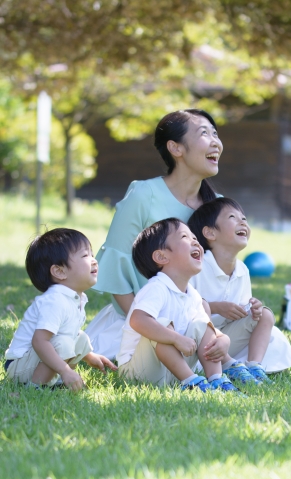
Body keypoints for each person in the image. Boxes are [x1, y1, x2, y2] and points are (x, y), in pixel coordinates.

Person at [85, 108, 223, 360]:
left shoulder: (219, 207)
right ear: (175, 148)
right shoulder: (143, 195)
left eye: (216, 134)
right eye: (205, 133)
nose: (216, 141)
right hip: (142, 321)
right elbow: (117, 269)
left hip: (202, 322)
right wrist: (150, 328)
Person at [117, 218, 242, 393]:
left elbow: (205, 328)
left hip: (171, 371)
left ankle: (216, 380)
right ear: (162, 256)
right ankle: (192, 382)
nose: (195, 241)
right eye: (185, 236)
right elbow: (138, 320)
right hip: (138, 372)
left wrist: (223, 339)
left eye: (194, 238)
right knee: (160, 324)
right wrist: (176, 338)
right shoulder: (156, 288)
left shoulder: (192, 294)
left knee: (202, 324)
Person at [188, 197, 291, 383]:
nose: (243, 222)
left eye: (244, 218)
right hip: (197, 344)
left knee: (265, 316)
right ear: (210, 233)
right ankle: (229, 366)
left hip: (226, 340)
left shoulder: (242, 270)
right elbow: (183, 308)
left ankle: (254, 366)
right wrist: (216, 308)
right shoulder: (198, 266)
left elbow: (244, 311)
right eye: (232, 217)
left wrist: (252, 309)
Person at [4, 228, 117, 391]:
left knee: (80, 337)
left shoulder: (75, 298)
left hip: (34, 360)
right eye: (85, 256)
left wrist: (89, 356)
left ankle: (51, 379)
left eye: (91, 254)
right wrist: (65, 370)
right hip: (19, 365)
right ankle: (34, 387)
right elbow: (39, 341)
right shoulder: (55, 300)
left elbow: (71, 334)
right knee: (62, 342)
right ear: (59, 271)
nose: (94, 260)